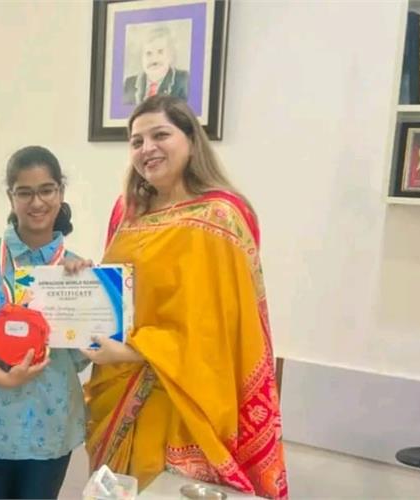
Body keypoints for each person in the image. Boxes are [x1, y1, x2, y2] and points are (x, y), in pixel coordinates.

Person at [82, 95, 288, 499]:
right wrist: (81, 285)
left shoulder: (220, 216)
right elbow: (122, 298)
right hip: (119, 393)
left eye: (160, 135)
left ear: (192, 140)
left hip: (186, 399)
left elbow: (219, 332)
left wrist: (135, 352)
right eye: (137, 141)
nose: (147, 149)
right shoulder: (127, 212)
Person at [0, 146, 90, 499]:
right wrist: (2, 377)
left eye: (46, 190)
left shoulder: (77, 270)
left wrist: (83, 296)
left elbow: (82, 356)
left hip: (50, 427)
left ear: (60, 193)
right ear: (11, 197)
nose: (36, 202)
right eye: (24, 192)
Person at [123, 25, 189, 105]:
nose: (154, 59)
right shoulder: (130, 84)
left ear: (171, 55)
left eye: (160, 52)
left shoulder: (183, 80)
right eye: (148, 53)